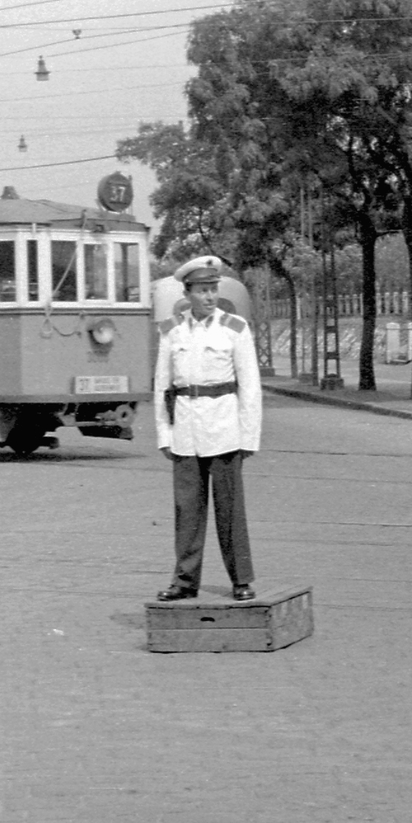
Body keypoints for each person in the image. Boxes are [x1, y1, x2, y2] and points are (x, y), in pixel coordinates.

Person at [154, 256, 262, 602]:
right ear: (187, 293)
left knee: (230, 512)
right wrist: (163, 434)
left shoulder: (235, 328)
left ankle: (241, 580)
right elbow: (162, 387)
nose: (210, 296)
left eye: (213, 289)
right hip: (185, 431)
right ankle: (185, 581)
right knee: (187, 511)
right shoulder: (171, 331)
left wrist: (249, 436)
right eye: (202, 290)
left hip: (225, 429)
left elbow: (250, 387)